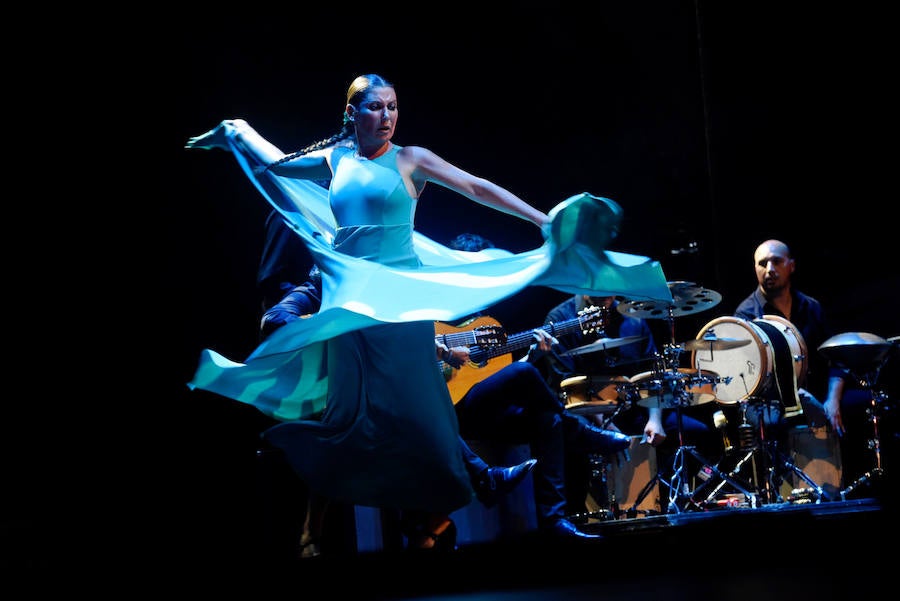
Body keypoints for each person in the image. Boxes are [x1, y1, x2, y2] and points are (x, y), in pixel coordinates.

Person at [184, 73, 673, 531]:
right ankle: (414, 502)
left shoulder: (410, 159)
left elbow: (476, 187)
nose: (387, 116)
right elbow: (278, 166)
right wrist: (237, 133)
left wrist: (539, 219)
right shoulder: (335, 157)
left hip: (397, 296)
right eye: (375, 107)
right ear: (352, 112)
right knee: (354, 408)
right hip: (349, 294)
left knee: (420, 399)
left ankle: (463, 491)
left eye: (393, 107)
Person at [257, 221, 538, 556]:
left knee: (410, 398)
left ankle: (441, 511)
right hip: (328, 393)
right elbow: (274, 319)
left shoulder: (381, 295)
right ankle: (458, 495)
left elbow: (406, 338)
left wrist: (445, 350)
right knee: (353, 418)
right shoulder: (318, 288)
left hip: (376, 395)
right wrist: (325, 333)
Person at [440, 233, 632, 537]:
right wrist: (447, 354)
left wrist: (531, 357)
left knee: (548, 417)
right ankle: (579, 431)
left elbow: (491, 376)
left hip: (484, 410)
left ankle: (553, 521)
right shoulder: (436, 308)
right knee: (522, 376)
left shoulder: (481, 318)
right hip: (449, 412)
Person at [525, 293, 720, 513]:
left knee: (697, 432)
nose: (607, 295)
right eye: (600, 289)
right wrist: (606, 429)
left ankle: (673, 502)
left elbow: (651, 376)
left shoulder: (633, 317)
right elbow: (569, 387)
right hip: (584, 413)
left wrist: (655, 420)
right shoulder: (561, 318)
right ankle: (578, 515)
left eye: (610, 289)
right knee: (569, 437)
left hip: (631, 409)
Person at [734, 239, 891, 500]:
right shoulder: (747, 314)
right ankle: (789, 492)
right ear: (755, 269)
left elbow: (835, 359)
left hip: (815, 392)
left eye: (776, 261)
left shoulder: (811, 307)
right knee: (782, 418)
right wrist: (796, 394)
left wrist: (833, 399)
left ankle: (857, 486)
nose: (769, 268)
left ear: (791, 266)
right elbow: (752, 373)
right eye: (762, 263)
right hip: (771, 398)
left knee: (866, 404)